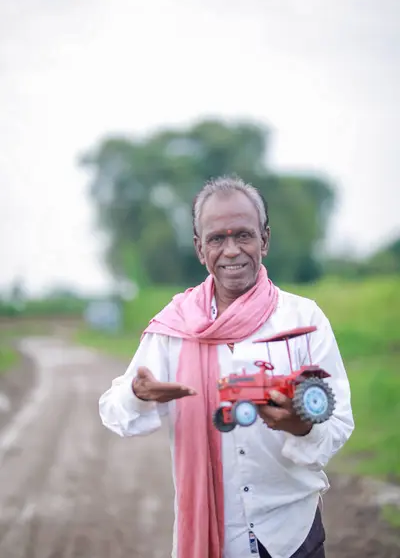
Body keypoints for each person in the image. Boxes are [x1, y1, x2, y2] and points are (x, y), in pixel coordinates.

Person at [99, 175, 354, 558]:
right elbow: (113, 412)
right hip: (214, 539)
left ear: (264, 240)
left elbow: (338, 423)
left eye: (244, 236)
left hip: (291, 533)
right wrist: (138, 394)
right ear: (200, 249)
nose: (232, 250)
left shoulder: (304, 319)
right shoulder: (175, 328)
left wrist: (302, 428)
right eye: (217, 239)